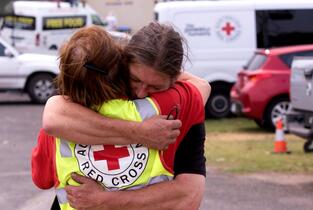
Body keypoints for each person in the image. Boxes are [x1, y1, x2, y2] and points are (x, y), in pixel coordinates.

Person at [42, 22, 211, 210]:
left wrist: (105, 200)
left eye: (155, 87)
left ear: (176, 79)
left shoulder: (181, 109)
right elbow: (52, 117)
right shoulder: (96, 86)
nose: (141, 92)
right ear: (123, 63)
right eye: (135, 80)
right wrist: (140, 132)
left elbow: (189, 197)